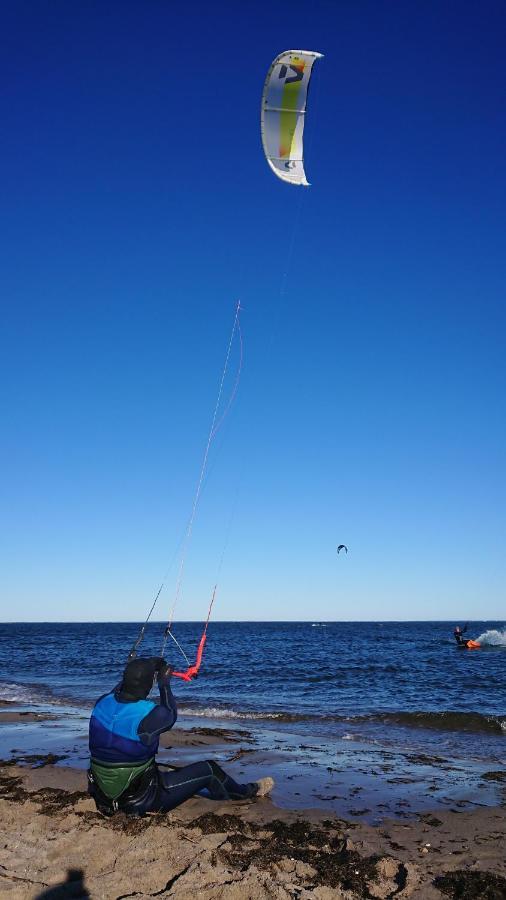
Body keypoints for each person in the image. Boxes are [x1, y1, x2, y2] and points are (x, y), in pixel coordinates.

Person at [88, 656, 274, 816]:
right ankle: (246, 792)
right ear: (148, 685)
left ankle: (224, 796)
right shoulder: (147, 715)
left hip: (102, 797)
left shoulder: (101, 703)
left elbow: (123, 686)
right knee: (209, 769)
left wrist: (147, 666)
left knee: (155, 770)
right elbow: (170, 713)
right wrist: (164, 683)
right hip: (140, 801)